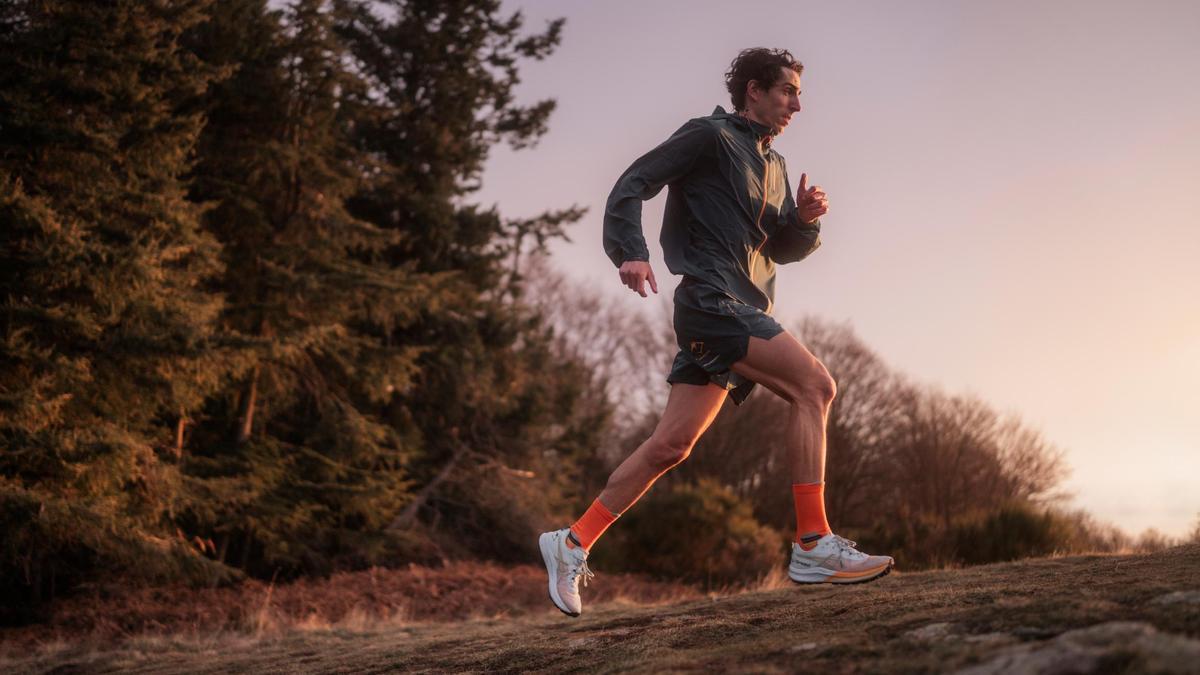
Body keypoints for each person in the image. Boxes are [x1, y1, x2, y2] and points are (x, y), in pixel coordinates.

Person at [539, 48, 893, 618]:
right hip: (710, 301)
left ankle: (572, 541)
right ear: (753, 91)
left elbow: (775, 247)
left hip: (738, 303)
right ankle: (812, 543)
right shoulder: (709, 136)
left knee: (671, 446)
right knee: (815, 388)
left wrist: (802, 221)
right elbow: (633, 183)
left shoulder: (774, 166)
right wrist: (630, 251)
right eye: (787, 92)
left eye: (799, 94)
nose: (797, 104)